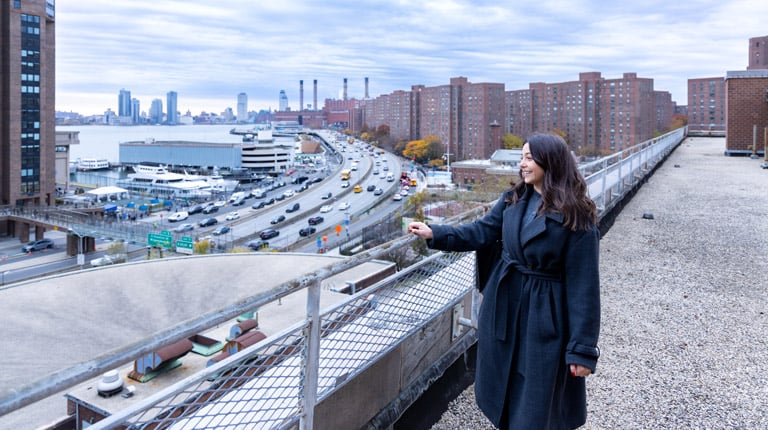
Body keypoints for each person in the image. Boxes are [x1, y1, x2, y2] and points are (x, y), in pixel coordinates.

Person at [408, 133, 600, 429]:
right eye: (521, 157)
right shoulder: (513, 199)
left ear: (550, 162)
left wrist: (582, 350)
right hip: (506, 303)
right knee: (504, 381)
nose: (522, 165)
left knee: (536, 394)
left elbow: (584, 289)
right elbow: (481, 232)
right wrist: (436, 234)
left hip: (544, 315)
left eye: (528, 158)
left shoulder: (576, 218)